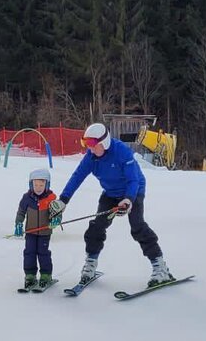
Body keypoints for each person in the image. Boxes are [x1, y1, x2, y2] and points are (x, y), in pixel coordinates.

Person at [51, 122, 175, 287]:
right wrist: (63, 200)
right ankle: (91, 263)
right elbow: (77, 177)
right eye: (86, 144)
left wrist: (129, 199)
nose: (89, 148)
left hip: (133, 190)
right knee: (97, 226)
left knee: (137, 226)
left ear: (105, 142)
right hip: (110, 193)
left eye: (92, 145)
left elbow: (134, 180)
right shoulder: (91, 157)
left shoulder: (121, 152)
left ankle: (160, 268)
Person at [14, 168, 58, 290]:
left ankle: (46, 275)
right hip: (30, 232)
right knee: (29, 253)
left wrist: (56, 219)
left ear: (47, 185)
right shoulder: (26, 198)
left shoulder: (51, 198)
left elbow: (57, 212)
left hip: (44, 232)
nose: (38, 187)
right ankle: (30, 275)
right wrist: (18, 223)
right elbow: (21, 212)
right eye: (36, 184)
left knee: (43, 253)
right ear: (31, 184)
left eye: (41, 185)